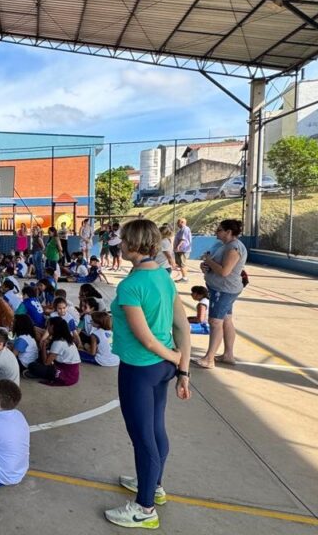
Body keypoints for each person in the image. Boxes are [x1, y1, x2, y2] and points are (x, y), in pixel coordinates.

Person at [106, 218, 191, 529]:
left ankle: (144, 508)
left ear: (132, 245)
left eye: (123, 239)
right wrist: (182, 369)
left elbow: (146, 337)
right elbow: (182, 326)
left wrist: (174, 356)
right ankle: (153, 485)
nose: (120, 243)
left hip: (141, 368)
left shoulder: (130, 286)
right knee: (155, 429)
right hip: (163, 369)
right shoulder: (164, 277)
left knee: (142, 438)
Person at [193, 219, 247, 369]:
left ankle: (209, 358)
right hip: (220, 287)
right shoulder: (225, 246)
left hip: (224, 290)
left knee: (215, 322)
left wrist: (208, 261)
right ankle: (228, 354)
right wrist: (206, 265)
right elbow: (217, 266)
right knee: (226, 319)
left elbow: (224, 271)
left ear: (229, 232)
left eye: (220, 230)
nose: (217, 232)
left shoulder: (234, 248)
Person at [25, 316, 80, 386]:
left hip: (67, 375)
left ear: (52, 327)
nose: (47, 329)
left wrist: (44, 346)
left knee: (32, 366)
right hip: (72, 373)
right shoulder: (65, 338)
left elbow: (46, 363)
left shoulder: (59, 342)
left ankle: (39, 374)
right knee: (40, 357)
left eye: (48, 326)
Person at [173, 218, 193, 283]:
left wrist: (178, 246)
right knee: (180, 264)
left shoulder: (185, 229)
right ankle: (184, 277)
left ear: (182, 222)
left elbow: (183, 239)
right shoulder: (181, 230)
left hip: (183, 250)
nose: (177, 224)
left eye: (178, 222)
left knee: (183, 264)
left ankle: (185, 278)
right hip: (180, 250)